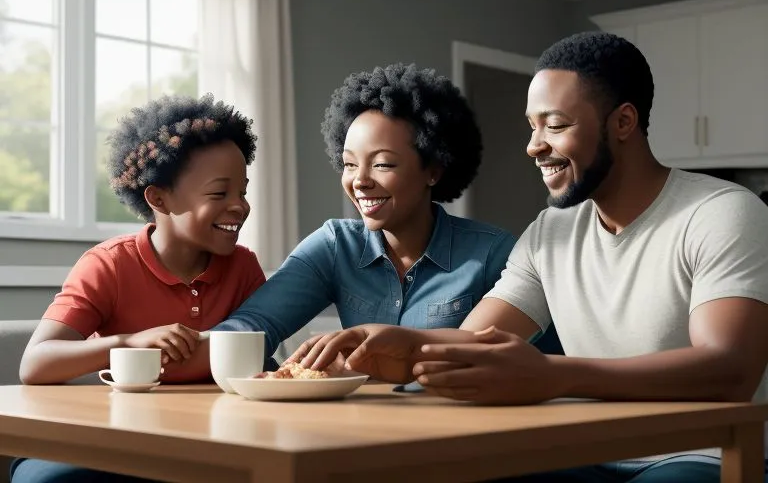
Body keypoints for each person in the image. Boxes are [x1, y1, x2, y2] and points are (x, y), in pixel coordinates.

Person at [293, 33, 768, 482]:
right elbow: (473, 341)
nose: (534, 145)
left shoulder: (721, 213)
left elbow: (729, 371)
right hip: (585, 450)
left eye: (555, 125)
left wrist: (552, 375)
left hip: (701, 454)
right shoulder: (551, 230)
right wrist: (398, 347)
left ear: (623, 122)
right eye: (532, 126)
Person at [166, 62, 560, 384]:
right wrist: (166, 353)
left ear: (434, 170)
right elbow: (255, 323)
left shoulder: (492, 253)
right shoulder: (336, 245)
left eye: (383, 163)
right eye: (350, 163)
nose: (360, 180)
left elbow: (492, 357)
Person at [12, 94, 266, 482]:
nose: (240, 206)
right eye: (219, 193)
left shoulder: (243, 266)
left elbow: (260, 360)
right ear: (158, 198)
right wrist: (128, 343)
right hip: (120, 441)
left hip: (214, 441)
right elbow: (36, 363)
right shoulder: (108, 265)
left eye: (243, 192)